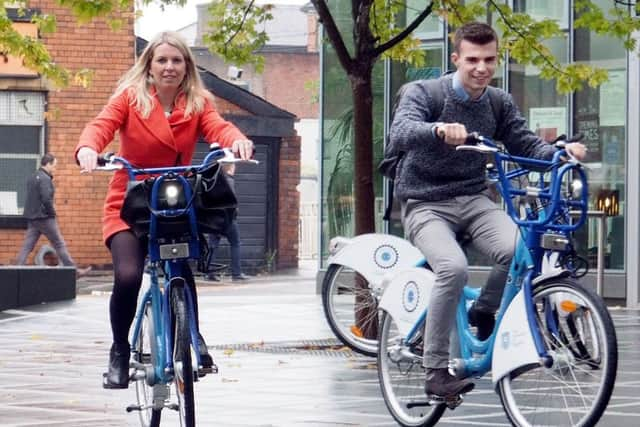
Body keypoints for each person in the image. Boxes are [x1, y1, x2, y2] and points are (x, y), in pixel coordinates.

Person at [389, 22, 587, 399]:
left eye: (490, 60)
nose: (481, 68)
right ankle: (435, 370)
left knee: (522, 253)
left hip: (475, 200)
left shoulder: (498, 101)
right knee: (454, 268)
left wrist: (561, 153)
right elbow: (400, 131)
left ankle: (484, 309)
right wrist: (437, 130)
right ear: (456, 59)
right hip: (425, 202)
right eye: (473, 60)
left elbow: (524, 143)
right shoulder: (424, 93)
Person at [75, 31, 254, 389]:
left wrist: (235, 140)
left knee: (181, 268)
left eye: (177, 60)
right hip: (129, 204)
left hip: (174, 202)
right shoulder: (129, 99)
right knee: (128, 275)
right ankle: (120, 351)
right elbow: (100, 126)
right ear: (150, 66)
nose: (169, 67)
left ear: (186, 66)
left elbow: (218, 127)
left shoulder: (198, 102)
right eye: (162, 60)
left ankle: (194, 337)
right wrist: (87, 149)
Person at [16, 153, 92, 277]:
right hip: (44, 218)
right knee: (59, 244)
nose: (55, 169)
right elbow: (46, 199)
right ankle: (74, 271)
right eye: (54, 166)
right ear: (48, 164)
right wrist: (52, 213)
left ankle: (16, 270)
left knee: (27, 246)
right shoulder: (45, 179)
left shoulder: (32, 177)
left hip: (33, 218)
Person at [205, 163, 249, 282]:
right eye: (234, 166)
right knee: (236, 243)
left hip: (214, 219)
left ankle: (210, 273)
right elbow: (231, 201)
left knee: (213, 246)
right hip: (228, 219)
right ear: (230, 168)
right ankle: (236, 273)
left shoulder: (214, 181)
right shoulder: (229, 181)